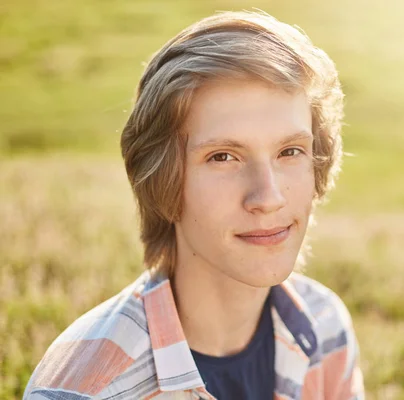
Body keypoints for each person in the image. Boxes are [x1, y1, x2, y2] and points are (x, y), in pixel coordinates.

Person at [24, 10, 364, 400]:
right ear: (163, 179)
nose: (268, 197)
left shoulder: (326, 327)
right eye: (223, 157)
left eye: (290, 151)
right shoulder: (85, 391)